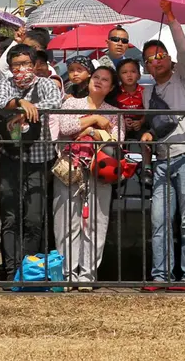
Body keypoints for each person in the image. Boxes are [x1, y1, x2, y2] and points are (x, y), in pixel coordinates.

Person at [142, 0, 185, 287]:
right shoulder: (147, 94)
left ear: (170, 59)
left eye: (159, 55)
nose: (155, 61)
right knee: (159, 221)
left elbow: (183, 47)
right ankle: (160, 274)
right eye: (149, 59)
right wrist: (145, 134)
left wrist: (170, 17)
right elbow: (151, 127)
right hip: (162, 159)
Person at [0, 44, 62, 281]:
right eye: (17, 66)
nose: (22, 69)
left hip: (38, 159)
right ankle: (11, 272)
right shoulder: (5, 84)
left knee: (34, 217)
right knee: (10, 217)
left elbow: (55, 102)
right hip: (10, 159)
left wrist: (29, 110)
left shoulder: (45, 84)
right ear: (10, 68)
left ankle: (28, 271)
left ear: (34, 65)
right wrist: (21, 104)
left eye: (26, 64)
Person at [51, 65, 122, 287]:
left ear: (111, 88)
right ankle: (68, 273)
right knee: (65, 222)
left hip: (99, 171)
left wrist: (87, 130)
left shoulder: (114, 111)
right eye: (96, 77)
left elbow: (116, 139)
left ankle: (87, 274)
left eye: (105, 80)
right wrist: (94, 121)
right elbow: (66, 125)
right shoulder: (72, 103)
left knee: (96, 223)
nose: (99, 81)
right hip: (69, 168)